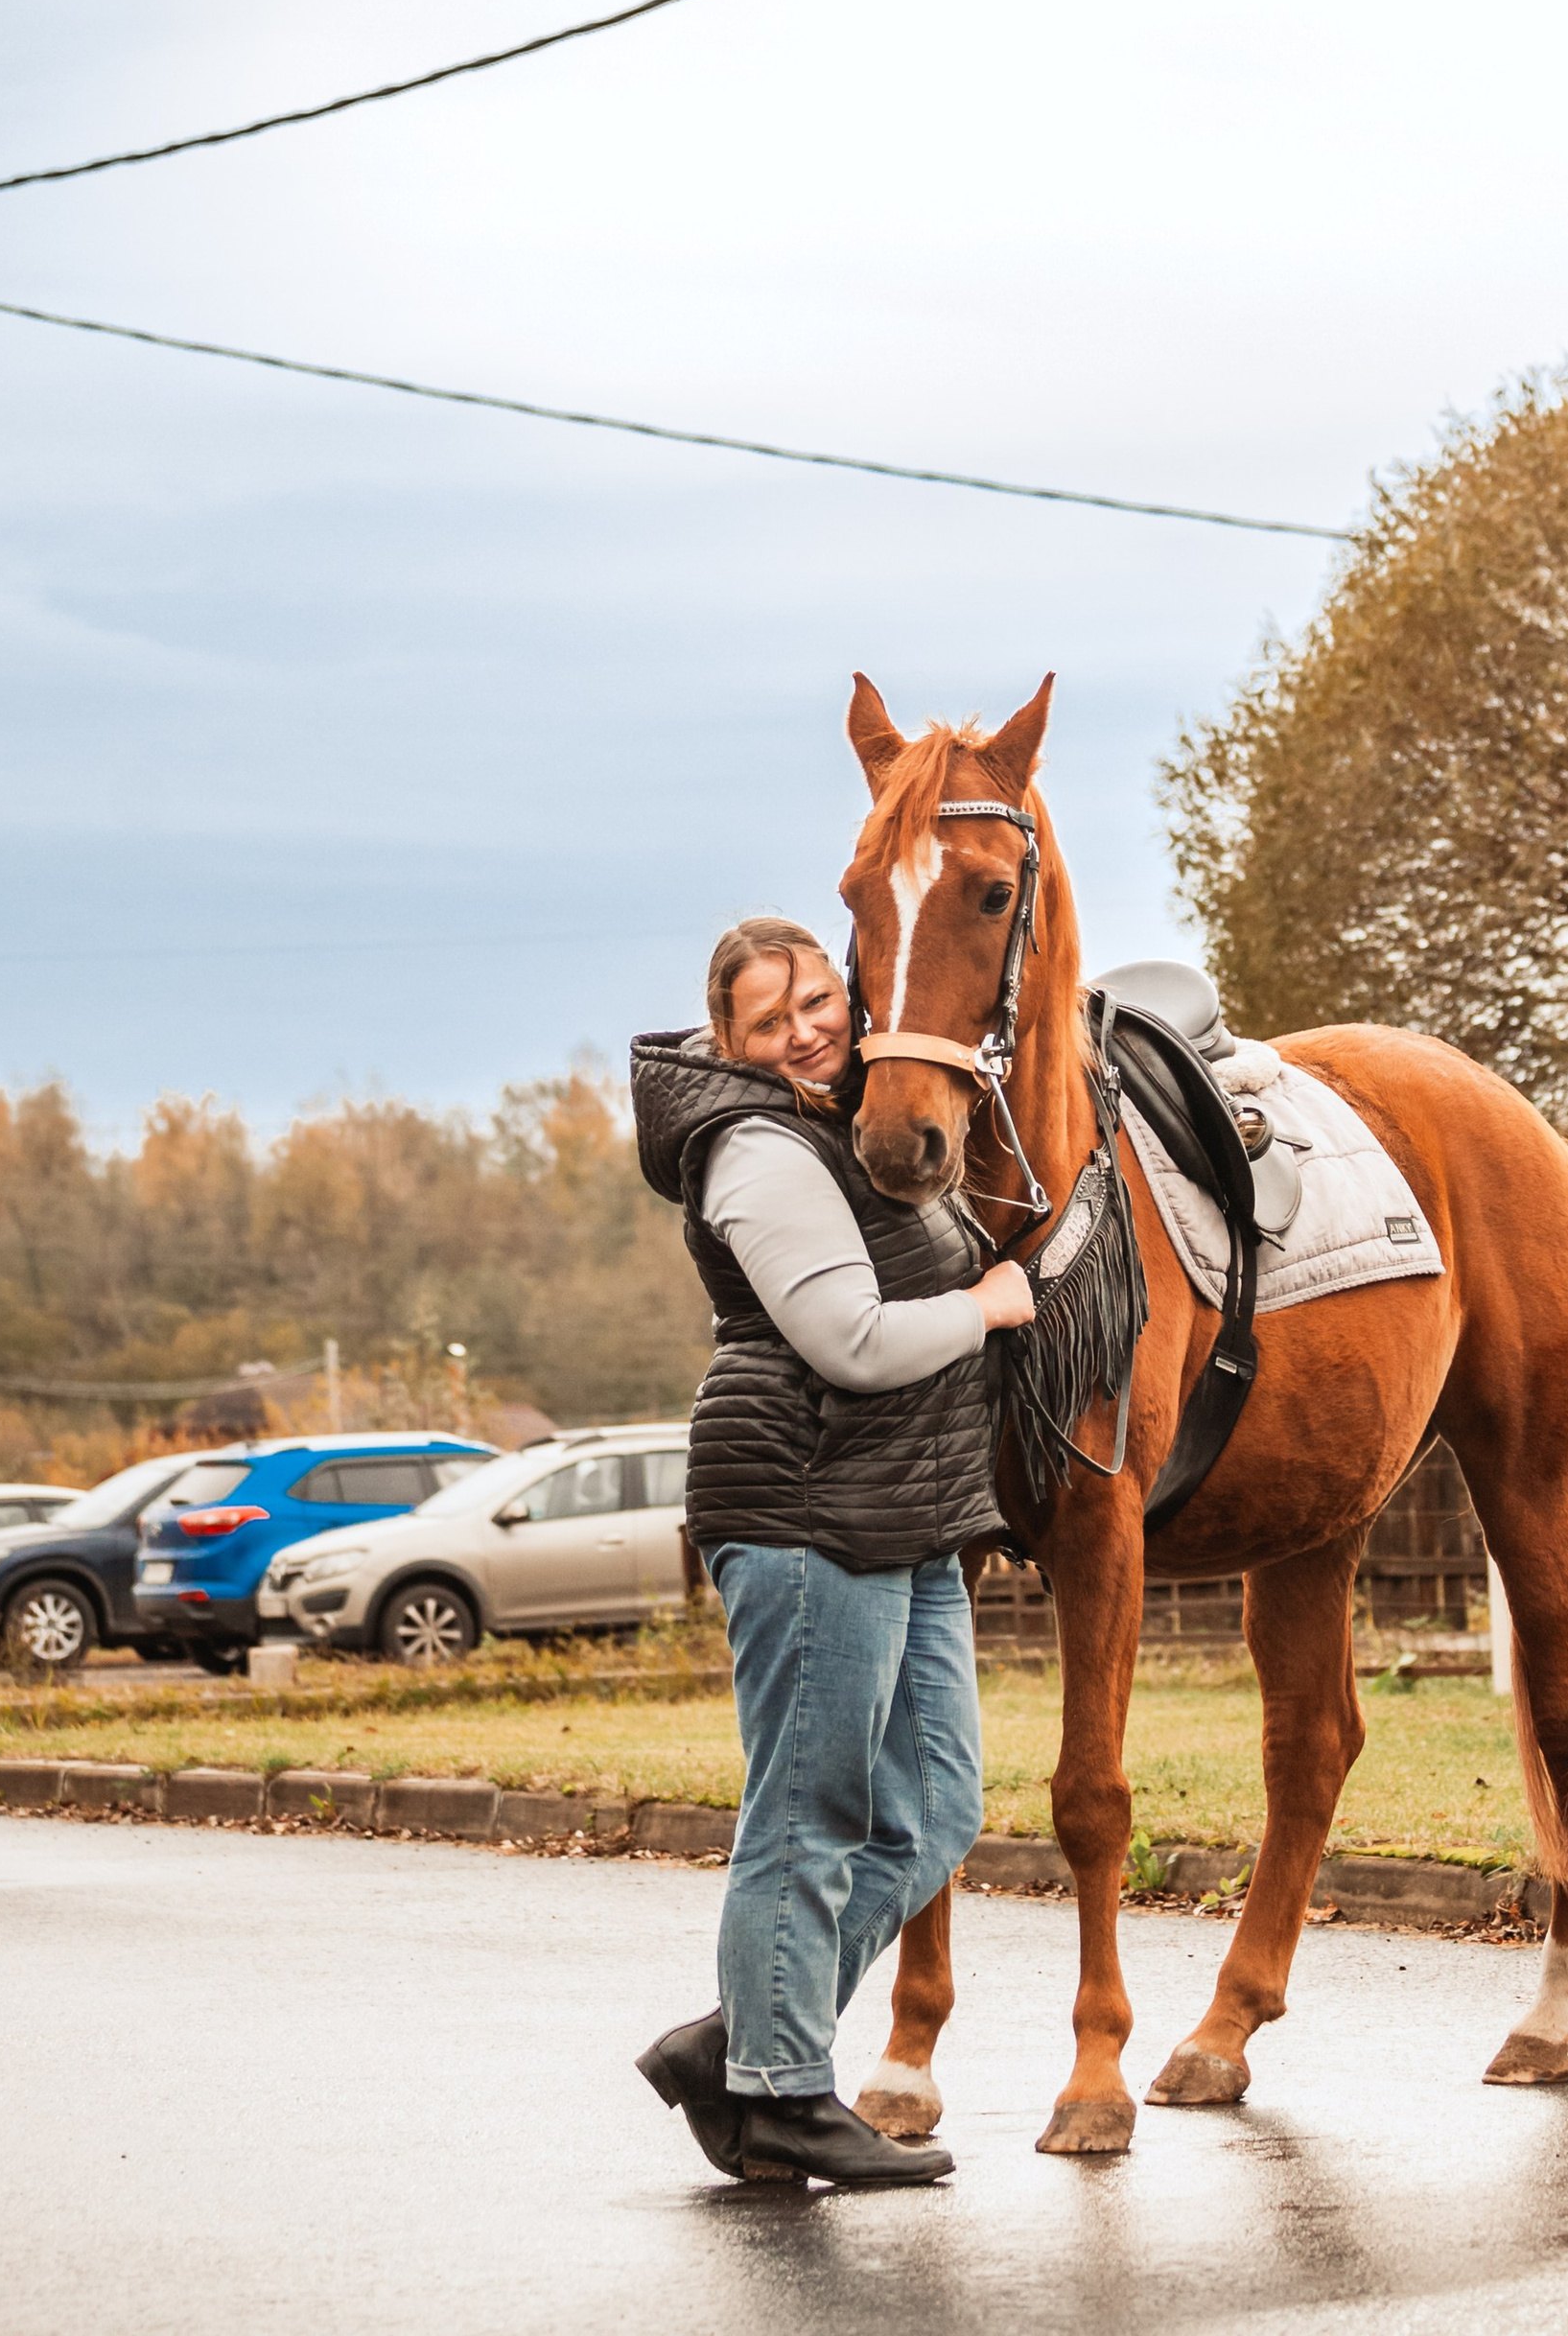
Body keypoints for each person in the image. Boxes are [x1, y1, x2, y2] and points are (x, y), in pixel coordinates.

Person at [630, 915, 1036, 2190]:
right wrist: (981, 1307)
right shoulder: (756, 1147)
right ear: (733, 1043)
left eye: (818, 994)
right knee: (809, 1813)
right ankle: (787, 2091)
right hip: (802, 1508)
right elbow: (851, 1341)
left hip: (899, 1512)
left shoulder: (846, 1124)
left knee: (938, 1811)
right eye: (772, 1017)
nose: (807, 1023)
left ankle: (742, 2046)